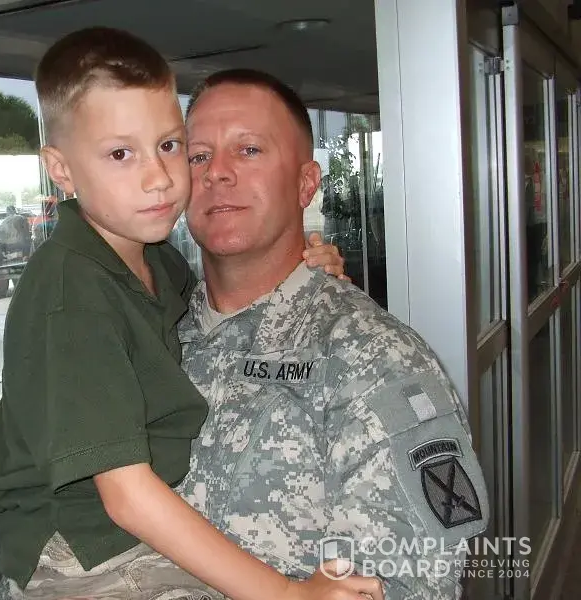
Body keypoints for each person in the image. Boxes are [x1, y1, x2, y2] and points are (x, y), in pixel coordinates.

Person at [0, 28, 374, 600]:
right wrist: (288, 595)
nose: (158, 177)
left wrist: (313, 267)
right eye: (120, 154)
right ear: (61, 170)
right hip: (82, 552)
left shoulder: (155, 261)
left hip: (125, 535)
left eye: (169, 145)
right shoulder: (71, 292)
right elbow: (127, 496)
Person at [170, 69, 490, 599]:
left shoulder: (374, 358)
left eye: (248, 150)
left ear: (306, 183)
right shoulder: (153, 332)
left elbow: (406, 582)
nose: (217, 173)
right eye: (198, 156)